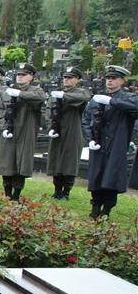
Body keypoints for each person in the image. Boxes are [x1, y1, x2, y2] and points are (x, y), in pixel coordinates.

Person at [82, 65, 138, 219]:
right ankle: (95, 207)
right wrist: (90, 139)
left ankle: (106, 210)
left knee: (111, 178)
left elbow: (135, 107)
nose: (110, 81)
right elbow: (86, 120)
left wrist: (112, 102)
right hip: (99, 144)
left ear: (122, 81)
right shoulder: (97, 99)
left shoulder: (128, 98)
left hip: (116, 145)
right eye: (108, 78)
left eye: (114, 78)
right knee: (96, 176)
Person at [0, 62, 47, 201]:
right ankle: (7, 193)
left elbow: (40, 98)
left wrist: (21, 94)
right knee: (7, 162)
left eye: (23, 75)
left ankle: (16, 194)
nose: (20, 77)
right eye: (18, 75)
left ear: (31, 77)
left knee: (21, 164)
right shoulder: (7, 93)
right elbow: (0, 112)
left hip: (25, 132)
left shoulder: (36, 91)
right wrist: (3, 127)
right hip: (9, 132)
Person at [46, 66, 91, 199]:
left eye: (70, 78)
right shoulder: (57, 94)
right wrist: (51, 127)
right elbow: (49, 111)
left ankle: (66, 192)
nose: (66, 80)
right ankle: (57, 190)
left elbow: (85, 97)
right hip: (57, 130)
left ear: (78, 79)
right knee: (56, 160)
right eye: (65, 77)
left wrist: (65, 96)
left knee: (69, 162)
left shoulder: (80, 93)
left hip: (73, 131)